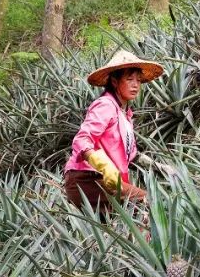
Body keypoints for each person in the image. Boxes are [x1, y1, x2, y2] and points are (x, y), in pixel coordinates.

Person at [64, 49, 163, 213]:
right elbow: (81, 140)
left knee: (121, 226)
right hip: (87, 179)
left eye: (138, 80)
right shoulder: (106, 105)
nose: (135, 85)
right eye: (129, 79)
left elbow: (131, 155)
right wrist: (104, 165)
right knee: (149, 204)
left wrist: (158, 167)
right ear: (115, 82)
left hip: (106, 180)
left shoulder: (124, 113)